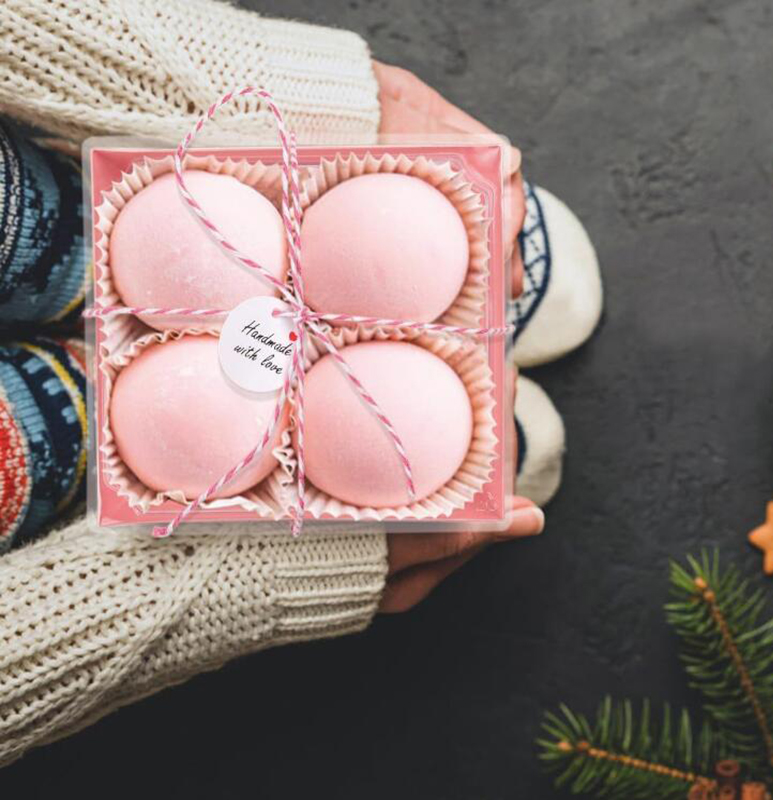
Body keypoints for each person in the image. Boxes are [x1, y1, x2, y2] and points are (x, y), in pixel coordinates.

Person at [0, 0, 602, 766]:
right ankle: (79, 413)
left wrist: (183, 76)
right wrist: (184, 594)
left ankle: (70, 247)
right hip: (165, 440)